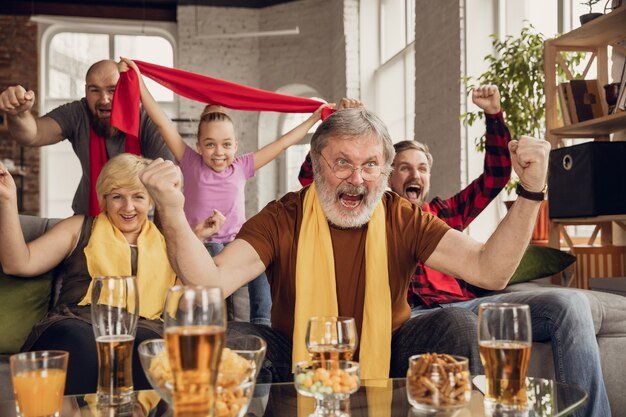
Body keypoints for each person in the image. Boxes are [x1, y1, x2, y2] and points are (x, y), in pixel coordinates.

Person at [139, 105, 551, 384]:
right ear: (317, 164)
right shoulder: (284, 215)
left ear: (384, 169)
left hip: (388, 349)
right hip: (296, 353)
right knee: (224, 340)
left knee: (456, 324)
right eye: (343, 163)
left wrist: (531, 192)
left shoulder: (400, 215)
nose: (357, 179)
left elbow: (489, 270)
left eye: (370, 165)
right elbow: (208, 283)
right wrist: (173, 214)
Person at [387, 86, 610, 417]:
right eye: (404, 167)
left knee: (570, 303)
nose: (414, 174)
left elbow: (494, 178)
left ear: (429, 177)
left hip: (476, 307)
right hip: (422, 315)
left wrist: (494, 114)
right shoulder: (380, 216)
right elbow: (315, 184)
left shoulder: (445, 212)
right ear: (388, 175)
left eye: (421, 167)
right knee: (455, 321)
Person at [118, 58, 343, 327]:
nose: (219, 152)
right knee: (212, 255)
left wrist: (314, 118)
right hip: (201, 244)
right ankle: (216, 323)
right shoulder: (189, 162)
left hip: (238, 244)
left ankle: (263, 325)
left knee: (262, 258)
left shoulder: (242, 166)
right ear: (199, 146)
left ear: (236, 146)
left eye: (226, 144)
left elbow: (282, 143)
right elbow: (162, 122)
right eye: (210, 145)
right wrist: (139, 80)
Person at [0, 153, 176, 395]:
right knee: (81, 342)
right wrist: (8, 200)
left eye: (138, 196)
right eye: (117, 197)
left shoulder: (171, 242)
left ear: (152, 200)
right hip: (78, 323)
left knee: (149, 350)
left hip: (144, 327)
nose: (128, 207)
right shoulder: (79, 228)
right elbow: (19, 263)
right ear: (104, 199)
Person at [0, 60, 173, 216]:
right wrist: (19, 115)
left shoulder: (148, 120)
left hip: (139, 220)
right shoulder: (78, 113)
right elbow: (34, 134)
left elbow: (168, 181)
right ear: (86, 91)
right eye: (95, 90)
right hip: (88, 218)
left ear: (126, 89)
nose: (104, 99)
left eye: (112, 90)